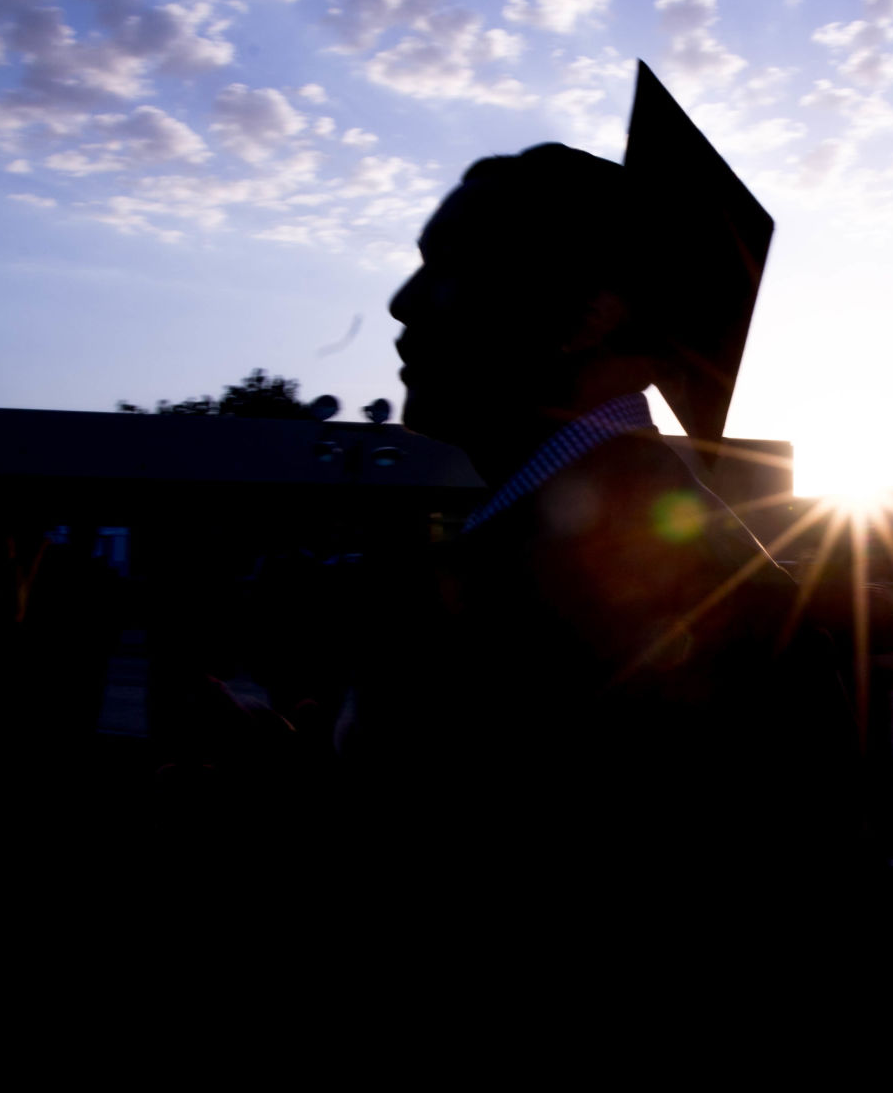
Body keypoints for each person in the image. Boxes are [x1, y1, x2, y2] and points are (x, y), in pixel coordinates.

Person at [342, 68, 860, 922]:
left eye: (450, 265)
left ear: (589, 317)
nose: (401, 303)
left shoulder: (588, 594)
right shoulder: (728, 584)